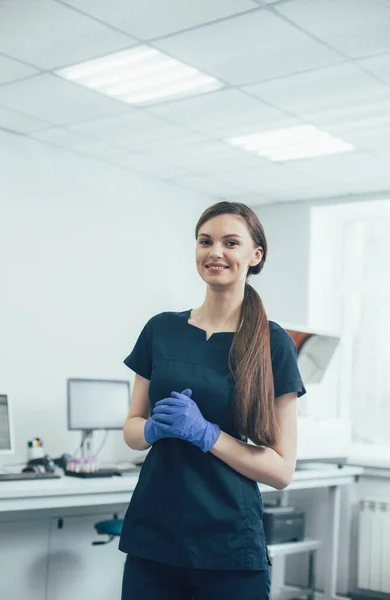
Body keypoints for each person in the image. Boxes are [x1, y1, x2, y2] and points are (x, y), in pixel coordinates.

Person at [120, 201, 306, 600]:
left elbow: (281, 470)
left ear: (255, 255)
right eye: (205, 241)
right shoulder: (161, 329)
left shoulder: (273, 343)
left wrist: (208, 435)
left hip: (228, 544)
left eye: (230, 242)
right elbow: (132, 430)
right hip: (154, 536)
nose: (215, 252)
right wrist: (152, 428)